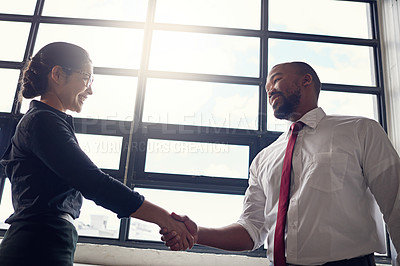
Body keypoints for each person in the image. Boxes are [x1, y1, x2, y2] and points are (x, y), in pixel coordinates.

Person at [161, 62, 400, 266]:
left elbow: (395, 202)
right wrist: (196, 233)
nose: (269, 91)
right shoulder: (264, 159)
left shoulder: (360, 130)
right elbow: (251, 230)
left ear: (306, 80)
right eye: (266, 89)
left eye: (276, 80)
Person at [0, 42, 194, 266]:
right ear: (58, 74)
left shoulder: (49, 122)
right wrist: (164, 219)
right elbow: (95, 183)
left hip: (44, 242)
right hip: (34, 247)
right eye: (86, 78)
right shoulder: (41, 122)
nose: (90, 89)